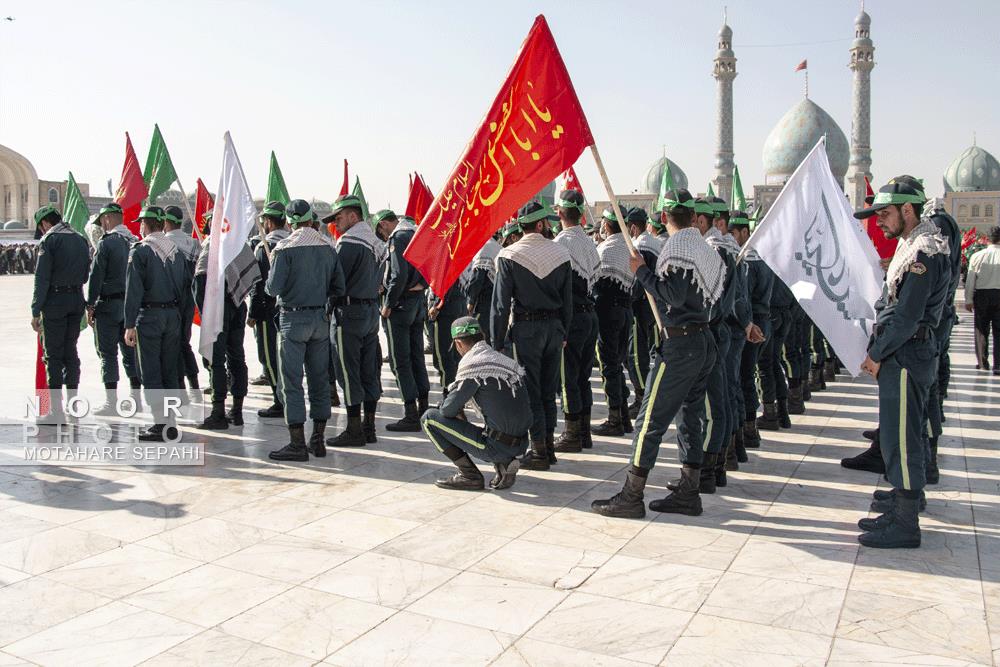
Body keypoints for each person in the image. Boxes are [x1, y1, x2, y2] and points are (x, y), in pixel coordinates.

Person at [592, 189, 725, 519]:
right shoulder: (703, 247)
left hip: (681, 346)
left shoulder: (679, 246)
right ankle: (689, 491)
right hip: (703, 340)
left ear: (664, 217)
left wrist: (641, 271)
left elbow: (674, 295)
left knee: (649, 419)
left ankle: (631, 495)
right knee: (689, 417)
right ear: (693, 216)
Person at [855, 177, 950, 549]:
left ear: (907, 210)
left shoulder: (922, 254)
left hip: (907, 354)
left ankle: (906, 522)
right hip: (907, 352)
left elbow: (907, 316)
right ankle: (901, 502)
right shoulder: (915, 247)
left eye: (885, 214)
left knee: (903, 438)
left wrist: (876, 355)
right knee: (900, 433)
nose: (879, 222)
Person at [492, 201, 572, 470]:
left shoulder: (509, 256)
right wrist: (564, 331)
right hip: (554, 328)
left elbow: (501, 306)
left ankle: (538, 451)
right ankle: (547, 448)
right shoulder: (560, 254)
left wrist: (496, 341)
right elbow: (567, 301)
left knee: (533, 393)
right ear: (540, 224)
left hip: (526, 330)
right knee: (549, 392)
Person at [266, 200, 345, 461]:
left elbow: (273, 288)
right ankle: (318, 440)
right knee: (319, 380)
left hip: (293, 319)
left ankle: (297, 444)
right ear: (311, 220)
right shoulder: (328, 247)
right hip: (320, 320)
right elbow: (339, 287)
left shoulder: (284, 248)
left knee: (291, 382)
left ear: (289, 222)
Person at [420, 317, 530, 490]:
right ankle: (505, 461)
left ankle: (469, 475)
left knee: (429, 419)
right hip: (523, 443)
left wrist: (451, 404)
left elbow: (448, 411)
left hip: (498, 445)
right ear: (482, 336)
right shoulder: (506, 361)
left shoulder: (473, 366)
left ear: (458, 343)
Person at [123, 206, 192, 441]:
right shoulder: (176, 253)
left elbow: (134, 291)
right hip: (172, 316)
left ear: (145, 224)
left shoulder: (141, 252)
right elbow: (185, 291)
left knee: (151, 372)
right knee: (170, 371)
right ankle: (170, 423)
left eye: (141, 223)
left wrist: (129, 324)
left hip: (150, 317)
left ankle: (160, 424)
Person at [687, 197, 739, 491]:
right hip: (724, 330)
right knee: (721, 402)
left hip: (712, 330)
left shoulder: (712, 250)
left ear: (702, 221)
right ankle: (716, 468)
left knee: (711, 407)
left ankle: (706, 473)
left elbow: (712, 299)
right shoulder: (725, 247)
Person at [193, 211, 260, 430]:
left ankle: (218, 411)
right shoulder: (239, 244)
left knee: (217, 360)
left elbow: (200, 280)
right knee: (237, 357)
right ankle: (237, 411)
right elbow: (251, 277)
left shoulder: (211, 245)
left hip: (218, 308)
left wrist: (205, 311)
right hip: (238, 306)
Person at [324, 194, 382, 447]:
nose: (336, 224)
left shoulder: (348, 243)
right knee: (369, 371)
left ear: (353, 215)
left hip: (349, 314)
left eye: (339, 217)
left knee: (348, 373)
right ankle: (369, 427)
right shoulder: (375, 242)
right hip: (370, 311)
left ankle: (355, 429)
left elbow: (337, 283)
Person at [551, 189, 600, 453]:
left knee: (568, 376)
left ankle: (572, 434)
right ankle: (584, 432)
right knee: (583, 376)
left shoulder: (561, 243)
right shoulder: (589, 241)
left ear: (559, 212)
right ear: (581, 213)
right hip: (590, 314)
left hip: (572, 317)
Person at [30, 205, 90, 422]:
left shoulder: (50, 240)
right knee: (71, 353)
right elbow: (85, 275)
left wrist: (36, 310)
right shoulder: (80, 239)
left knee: (53, 357)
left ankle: (56, 412)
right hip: (76, 300)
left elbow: (42, 278)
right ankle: (73, 408)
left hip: (55, 303)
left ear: (45, 223)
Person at [375, 209, 431, 431]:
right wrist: (423, 286)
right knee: (417, 355)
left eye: (381, 229)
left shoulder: (398, 238)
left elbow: (398, 275)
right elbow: (432, 267)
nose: (382, 234)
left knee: (401, 360)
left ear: (385, 224)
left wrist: (388, 304)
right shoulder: (418, 234)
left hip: (400, 305)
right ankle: (424, 407)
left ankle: (410, 413)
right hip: (417, 302)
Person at [85, 203, 141, 414]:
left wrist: (90, 304)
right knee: (130, 353)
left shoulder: (106, 243)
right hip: (131, 306)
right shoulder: (136, 241)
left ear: (107, 219)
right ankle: (136, 399)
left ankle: (111, 403)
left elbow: (96, 276)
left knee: (107, 354)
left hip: (108, 306)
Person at [729, 210, 773, 450]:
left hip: (750, 324)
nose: (732, 237)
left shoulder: (746, 260)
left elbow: (741, 296)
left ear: (745, 231)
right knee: (751, 374)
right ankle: (750, 429)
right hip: (763, 319)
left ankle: (746, 431)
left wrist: (746, 323)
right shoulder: (763, 257)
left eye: (734, 233)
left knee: (742, 377)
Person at [592, 207, 636, 437]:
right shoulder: (629, 248)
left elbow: (594, 282)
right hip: (626, 310)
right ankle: (624, 416)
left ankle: (614, 417)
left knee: (609, 364)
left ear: (607, 225)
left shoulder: (605, 249)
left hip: (608, 312)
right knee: (617, 363)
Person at [248, 201, 290, 418]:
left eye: (264, 220)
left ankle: (278, 399)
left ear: (270, 222)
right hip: (289, 310)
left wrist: (253, 313)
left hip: (268, 311)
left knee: (269, 356)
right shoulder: (293, 242)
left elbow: (258, 284)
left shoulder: (265, 247)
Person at [626, 206, 664, 420]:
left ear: (632, 227)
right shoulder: (654, 242)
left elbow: (639, 280)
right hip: (653, 304)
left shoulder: (640, 245)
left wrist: (630, 299)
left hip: (641, 306)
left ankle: (641, 398)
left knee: (637, 354)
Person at [163, 206, 201, 391]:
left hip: (172, 298)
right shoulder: (193, 243)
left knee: (172, 344)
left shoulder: (164, 244)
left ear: (166, 221)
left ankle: (180, 387)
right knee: (184, 341)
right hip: (190, 297)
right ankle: (194, 384)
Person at [757, 278, 795, 430]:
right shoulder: (781, 263)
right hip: (784, 312)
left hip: (771, 313)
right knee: (774, 362)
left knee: (765, 366)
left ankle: (770, 413)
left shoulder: (766, 261)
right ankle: (782, 412)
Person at [966, 225, 1000, 375]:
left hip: (982, 296)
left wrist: (968, 299)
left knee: (981, 330)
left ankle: (982, 362)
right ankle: (998, 365)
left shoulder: (978, 256)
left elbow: (970, 279)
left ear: (987, 239)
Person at [460, 234, 501, 344]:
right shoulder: (496, 246)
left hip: (484, 302)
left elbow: (477, 279)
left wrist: (471, 302)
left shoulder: (484, 248)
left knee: (480, 338)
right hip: (497, 299)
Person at [427, 281, 464, 393]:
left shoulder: (444, 264)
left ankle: (449, 395)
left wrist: (437, 306)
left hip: (445, 312)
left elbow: (446, 284)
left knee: (443, 356)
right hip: (456, 307)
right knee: (453, 355)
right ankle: (455, 397)